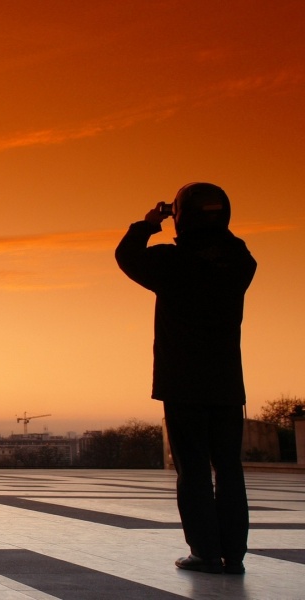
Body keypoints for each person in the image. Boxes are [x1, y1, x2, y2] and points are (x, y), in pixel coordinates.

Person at [115, 182, 256, 575]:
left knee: (192, 469)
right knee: (229, 468)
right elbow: (230, 246)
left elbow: (127, 258)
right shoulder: (239, 261)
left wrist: (148, 224)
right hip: (227, 383)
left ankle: (205, 552)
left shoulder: (173, 262)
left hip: (183, 382)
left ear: (182, 216)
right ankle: (234, 554)